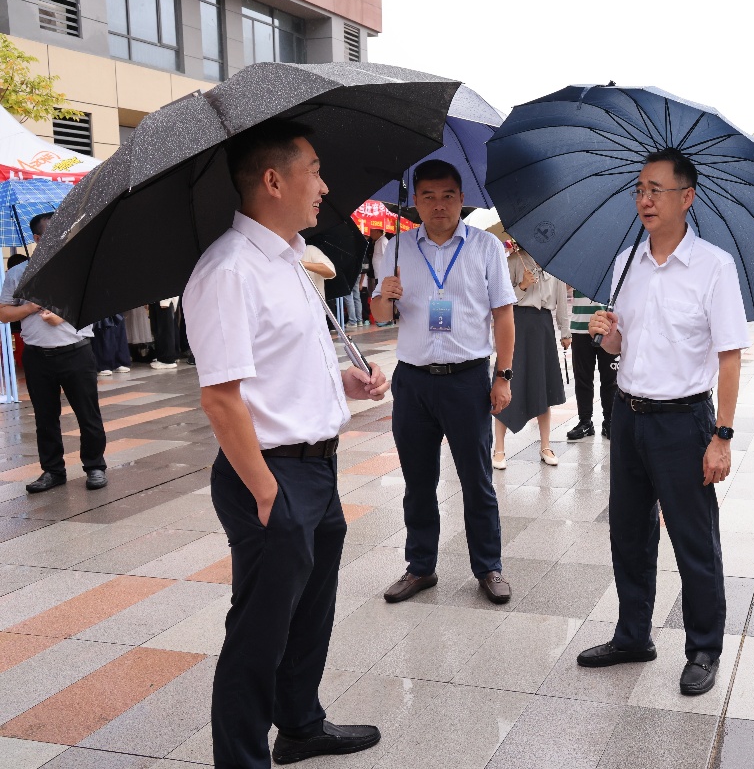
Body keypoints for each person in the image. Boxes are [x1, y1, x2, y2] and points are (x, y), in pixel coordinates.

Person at [184, 119, 388, 767]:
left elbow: (281, 367)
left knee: (309, 616)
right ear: (274, 181)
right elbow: (220, 398)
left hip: (317, 469)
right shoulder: (228, 271)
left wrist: (346, 384)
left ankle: (300, 725)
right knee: (258, 635)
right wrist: (268, 494)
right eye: (315, 172)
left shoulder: (294, 259)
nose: (324, 187)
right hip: (270, 476)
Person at [579, 148, 749, 697]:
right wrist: (605, 333)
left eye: (656, 189)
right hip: (628, 416)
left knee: (693, 538)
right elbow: (620, 346)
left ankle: (704, 648)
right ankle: (633, 635)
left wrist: (722, 436)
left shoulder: (713, 267)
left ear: (686, 197)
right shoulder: (626, 263)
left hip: (683, 422)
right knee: (628, 533)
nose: (645, 199)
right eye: (640, 190)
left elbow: (729, 355)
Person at [372, 159, 517, 606]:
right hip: (413, 382)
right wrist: (384, 296)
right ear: (415, 201)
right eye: (429, 196)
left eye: (448, 196)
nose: (439, 205)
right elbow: (379, 316)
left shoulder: (486, 248)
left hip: (467, 380)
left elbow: (503, 316)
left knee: (477, 480)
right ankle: (420, 567)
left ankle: (488, 566)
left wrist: (503, 376)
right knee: (418, 482)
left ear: (461, 199)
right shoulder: (397, 249)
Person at [0, 213, 108, 494]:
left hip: (76, 352)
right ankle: (53, 471)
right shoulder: (17, 273)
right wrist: (30, 307)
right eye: (51, 233)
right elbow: (4, 313)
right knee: (45, 418)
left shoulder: (77, 266)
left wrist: (60, 316)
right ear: (37, 238)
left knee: (88, 414)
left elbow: (92, 303)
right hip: (38, 357)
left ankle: (95, 466)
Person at [492, 244, 569, 469]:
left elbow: (561, 300)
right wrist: (522, 286)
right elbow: (501, 300)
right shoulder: (513, 261)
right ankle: (499, 448)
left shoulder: (554, 263)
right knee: (507, 381)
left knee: (542, 385)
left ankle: (545, 445)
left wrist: (565, 331)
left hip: (543, 326)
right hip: (516, 323)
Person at [566, 288, 618, 441]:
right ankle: (585, 422)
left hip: (607, 327)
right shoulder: (579, 271)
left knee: (610, 379)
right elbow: (564, 288)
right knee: (582, 377)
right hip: (580, 327)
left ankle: (609, 420)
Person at [148, 297, 179, 368]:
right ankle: (161, 357)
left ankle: (168, 359)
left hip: (164, 300)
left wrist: (166, 301)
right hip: (155, 299)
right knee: (157, 330)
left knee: (165, 330)